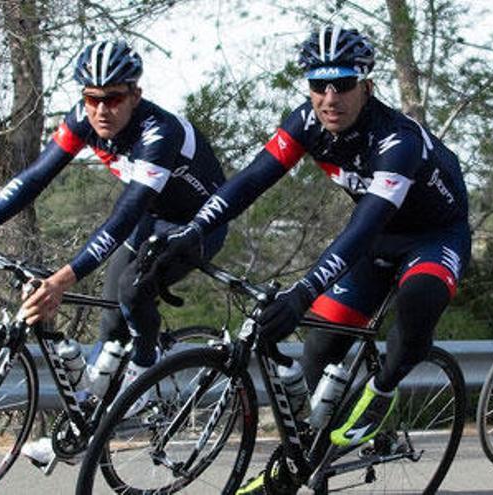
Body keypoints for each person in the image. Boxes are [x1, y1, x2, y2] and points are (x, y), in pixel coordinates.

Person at [145, 26, 470, 493]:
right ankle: (301, 465)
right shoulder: (307, 122)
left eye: (343, 85)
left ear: (367, 87)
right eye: (319, 85)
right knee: (320, 342)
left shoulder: (397, 141)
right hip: (376, 237)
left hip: (433, 235)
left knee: (417, 301)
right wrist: (194, 230)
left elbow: (363, 228)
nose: (330, 97)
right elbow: (251, 180)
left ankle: (381, 392)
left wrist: (301, 293)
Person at [0, 40, 227, 463]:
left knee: (131, 288)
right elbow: (34, 177)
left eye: (113, 98)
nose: (101, 109)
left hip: (195, 224)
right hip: (150, 215)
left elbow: (121, 218)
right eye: (91, 99)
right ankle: (79, 433)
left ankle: (146, 370)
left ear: (135, 96)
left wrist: (60, 282)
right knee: (109, 323)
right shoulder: (83, 120)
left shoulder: (159, 133)